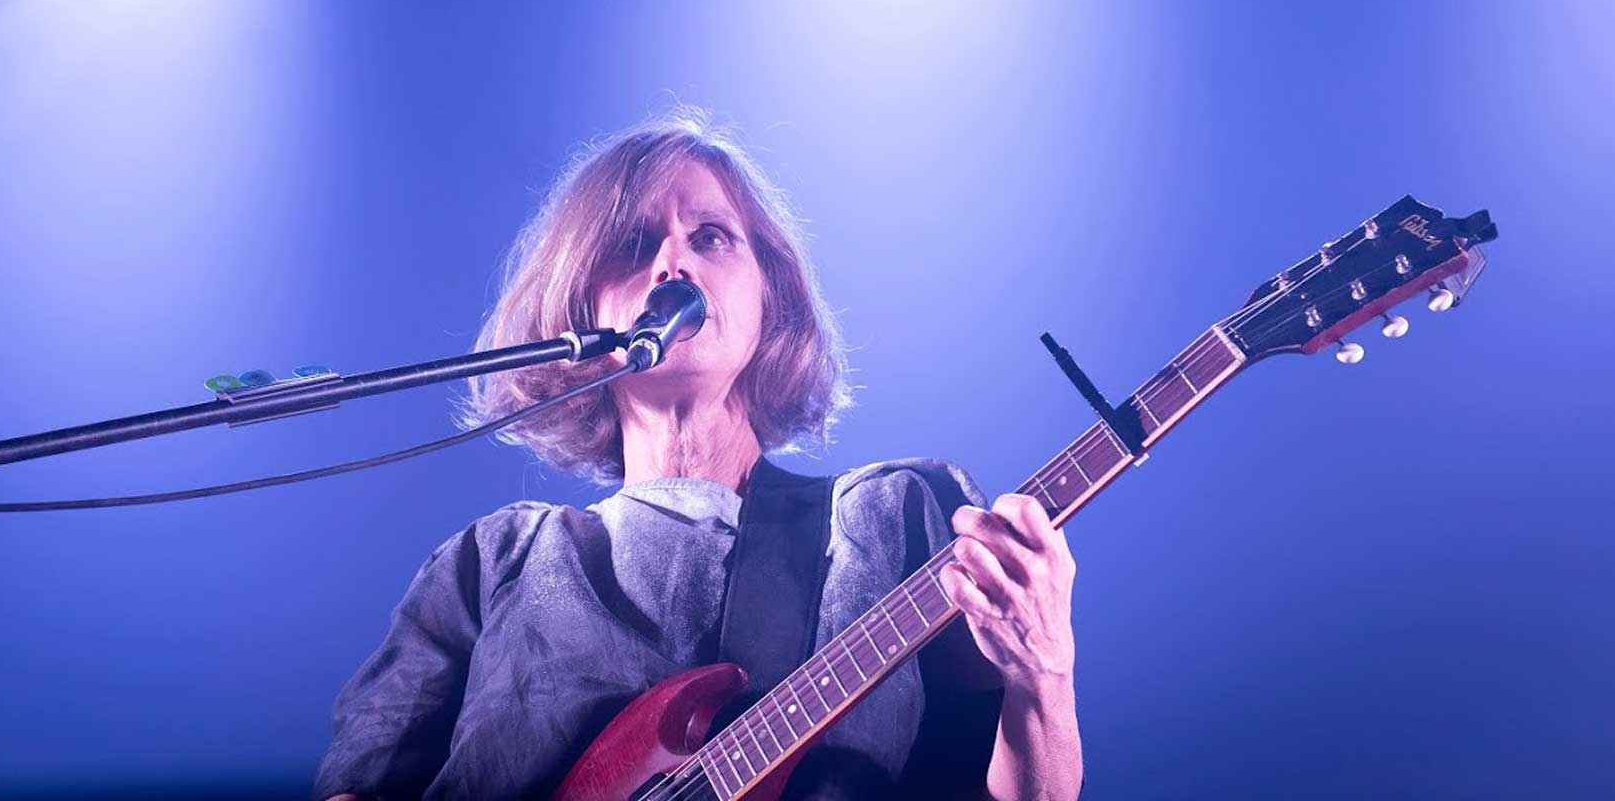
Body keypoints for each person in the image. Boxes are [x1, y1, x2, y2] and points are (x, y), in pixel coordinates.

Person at [315, 112, 1083, 800]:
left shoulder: (890, 520)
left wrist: (1043, 675)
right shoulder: (490, 562)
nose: (671, 267)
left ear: (768, 299)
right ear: (580, 307)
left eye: (710, 237)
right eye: (633, 245)